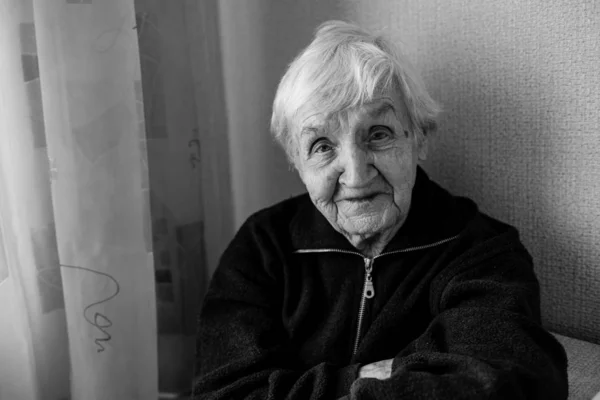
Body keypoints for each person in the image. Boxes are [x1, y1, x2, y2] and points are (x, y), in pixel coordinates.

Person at [192, 20, 568, 399]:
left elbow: (508, 383)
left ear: (418, 138)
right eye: (322, 145)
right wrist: (371, 376)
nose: (355, 176)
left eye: (378, 134)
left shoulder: (481, 251)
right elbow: (223, 392)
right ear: (297, 162)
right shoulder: (263, 246)